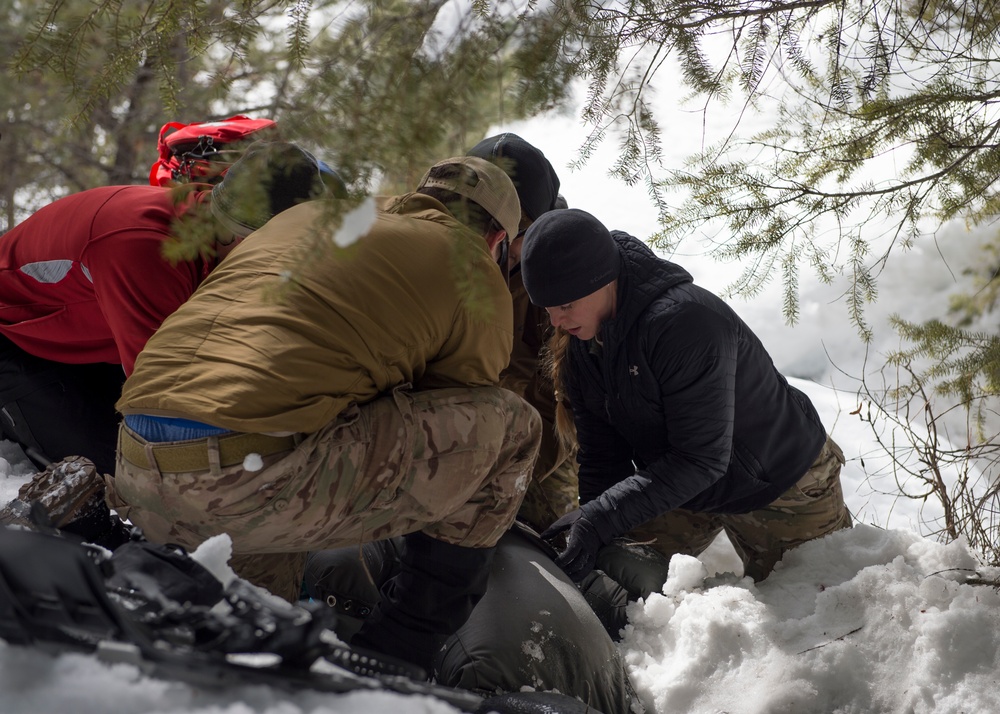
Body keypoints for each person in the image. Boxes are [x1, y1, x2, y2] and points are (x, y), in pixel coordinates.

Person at [106, 155, 542, 676]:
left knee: (304, 419)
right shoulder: (471, 266)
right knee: (513, 428)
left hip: (136, 471)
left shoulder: (308, 217)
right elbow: (457, 410)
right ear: (497, 240)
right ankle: (401, 647)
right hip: (246, 485)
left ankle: (253, 620)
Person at [520, 208, 853, 585]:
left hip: (779, 485)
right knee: (616, 574)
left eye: (566, 305)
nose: (557, 322)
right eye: (548, 308)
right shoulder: (584, 343)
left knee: (820, 613)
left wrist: (603, 516)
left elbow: (701, 458)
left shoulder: (684, 323)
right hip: (686, 486)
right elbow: (602, 455)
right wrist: (595, 526)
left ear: (605, 280)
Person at [0, 140, 342, 477]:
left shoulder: (209, 220)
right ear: (241, 235)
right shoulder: (146, 250)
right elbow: (160, 392)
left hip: (89, 338)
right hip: (14, 340)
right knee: (111, 475)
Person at [465, 133, 579, 531]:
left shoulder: (564, 271)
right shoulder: (441, 252)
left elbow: (560, 397)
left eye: (517, 234)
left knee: (547, 532)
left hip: (538, 429)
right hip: (454, 421)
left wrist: (515, 474)